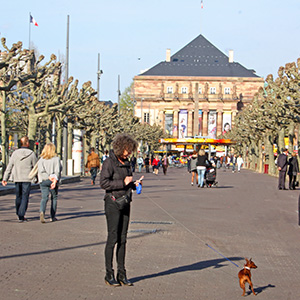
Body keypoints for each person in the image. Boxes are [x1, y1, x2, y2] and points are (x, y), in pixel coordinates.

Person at [100, 133, 141, 287]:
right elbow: (104, 183)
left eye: (131, 150)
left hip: (125, 202)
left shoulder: (128, 163)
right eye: (127, 150)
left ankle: (122, 274)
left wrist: (133, 184)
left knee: (123, 239)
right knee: (113, 238)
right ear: (121, 148)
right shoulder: (109, 163)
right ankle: (108, 274)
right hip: (112, 202)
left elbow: (127, 182)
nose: (129, 153)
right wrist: (122, 182)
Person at [2, 136, 37, 222]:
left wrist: (5, 178)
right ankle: (21, 214)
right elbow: (35, 167)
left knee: (18, 196)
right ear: (27, 143)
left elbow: (10, 166)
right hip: (27, 178)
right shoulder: (31, 154)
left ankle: (18, 212)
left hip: (17, 177)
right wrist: (37, 178)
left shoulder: (15, 153)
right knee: (25, 196)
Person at [38, 143, 62, 223]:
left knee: (44, 197)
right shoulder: (56, 159)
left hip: (44, 180)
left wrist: (47, 177)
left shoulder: (41, 159)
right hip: (53, 180)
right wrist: (54, 180)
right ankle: (52, 216)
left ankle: (42, 211)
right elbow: (57, 170)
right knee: (54, 198)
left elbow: (41, 171)